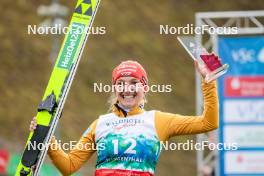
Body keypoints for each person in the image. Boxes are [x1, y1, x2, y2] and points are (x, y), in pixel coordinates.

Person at [30, 60, 219, 176]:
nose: (127, 89)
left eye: (134, 83)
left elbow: (208, 122)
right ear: (114, 88)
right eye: (120, 84)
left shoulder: (158, 120)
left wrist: (208, 82)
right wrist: (48, 139)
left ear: (144, 88)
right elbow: (69, 166)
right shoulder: (101, 124)